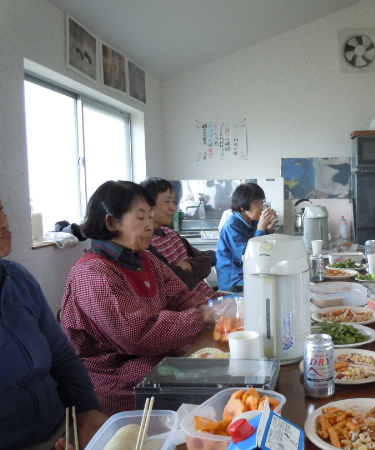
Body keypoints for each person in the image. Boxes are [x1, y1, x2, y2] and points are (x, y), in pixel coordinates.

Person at [60, 181, 219, 416]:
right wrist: (201, 317)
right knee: (210, 391)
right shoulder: (92, 273)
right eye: (141, 217)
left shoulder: (145, 259)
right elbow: (138, 335)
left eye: (150, 217)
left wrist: (212, 309)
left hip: (154, 361)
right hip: (116, 381)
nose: (150, 225)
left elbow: (179, 296)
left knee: (216, 372)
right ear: (111, 222)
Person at [0, 198, 107, 450]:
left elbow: (61, 356)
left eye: (1, 209)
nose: (4, 222)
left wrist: (86, 410)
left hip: (63, 431)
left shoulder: (18, 279)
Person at [140, 177, 216, 294]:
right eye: (167, 201)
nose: (173, 207)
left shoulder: (171, 234)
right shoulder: (145, 242)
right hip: (193, 302)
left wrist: (188, 265)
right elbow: (173, 279)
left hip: (208, 296)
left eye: (174, 201)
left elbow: (206, 259)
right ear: (148, 204)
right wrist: (196, 269)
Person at [217, 183, 278, 292]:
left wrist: (268, 231)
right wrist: (261, 229)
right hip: (235, 280)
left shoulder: (253, 221)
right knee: (272, 284)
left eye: (262, 202)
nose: (262, 207)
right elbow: (248, 256)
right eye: (257, 203)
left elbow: (263, 249)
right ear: (242, 205)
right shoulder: (232, 226)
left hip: (249, 272)